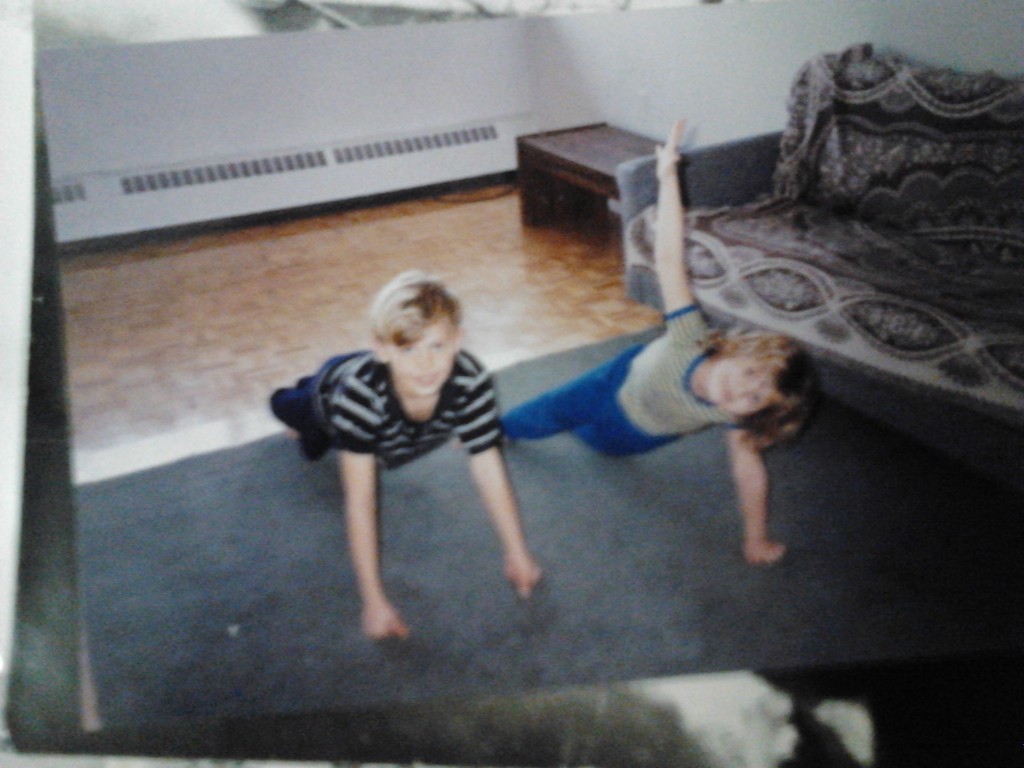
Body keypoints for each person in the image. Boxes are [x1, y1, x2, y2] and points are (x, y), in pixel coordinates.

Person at [502, 120, 815, 566]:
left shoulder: (732, 416)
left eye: (754, 398)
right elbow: (669, 258)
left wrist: (755, 538)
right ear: (737, 350)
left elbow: (750, 474)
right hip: (619, 375)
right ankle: (500, 429)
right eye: (750, 374)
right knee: (555, 406)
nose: (741, 392)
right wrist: (668, 177)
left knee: (595, 442)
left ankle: (584, 430)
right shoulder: (692, 336)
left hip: (633, 429)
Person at [270, 270, 543, 640]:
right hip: (331, 395)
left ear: (458, 341)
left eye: (437, 346)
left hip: (386, 414)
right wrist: (373, 600)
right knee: (301, 423)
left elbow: (489, 467)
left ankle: (329, 419)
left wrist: (516, 552)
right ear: (383, 349)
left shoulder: (471, 379)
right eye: (409, 349)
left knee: (341, 442)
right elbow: (360, 500)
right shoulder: (360, 396)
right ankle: (300, 411)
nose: (426, 364)